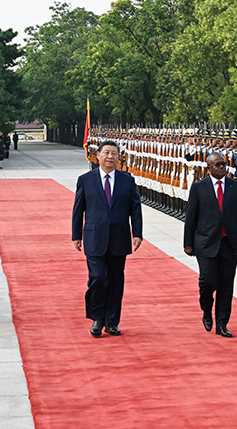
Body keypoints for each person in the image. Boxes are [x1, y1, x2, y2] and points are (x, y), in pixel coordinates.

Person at [72, 140, 143, 337]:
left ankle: (112, 321)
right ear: (98, 156)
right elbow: (78, 210)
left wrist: (137, 233)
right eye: (106, 153)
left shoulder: (127, 180)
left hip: (119, 238)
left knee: (115, 280)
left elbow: (135, 208)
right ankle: (97, 318)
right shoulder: (86, 180)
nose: (110, 156)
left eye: (114, 153)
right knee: (97, 277)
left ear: (119, 158)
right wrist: (76, 235)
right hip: (95, 238)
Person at [183, 151, 237, 338]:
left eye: (223, 164)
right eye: (217, 164)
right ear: (209, 168)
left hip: (229, 243)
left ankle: (222, 323)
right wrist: (188, 243)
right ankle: (206, 308)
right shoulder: (199, 187)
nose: (221, 167)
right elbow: (191, 217)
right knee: (208, 281)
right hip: (205, 243)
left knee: (226, 285)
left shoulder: (236, 187)